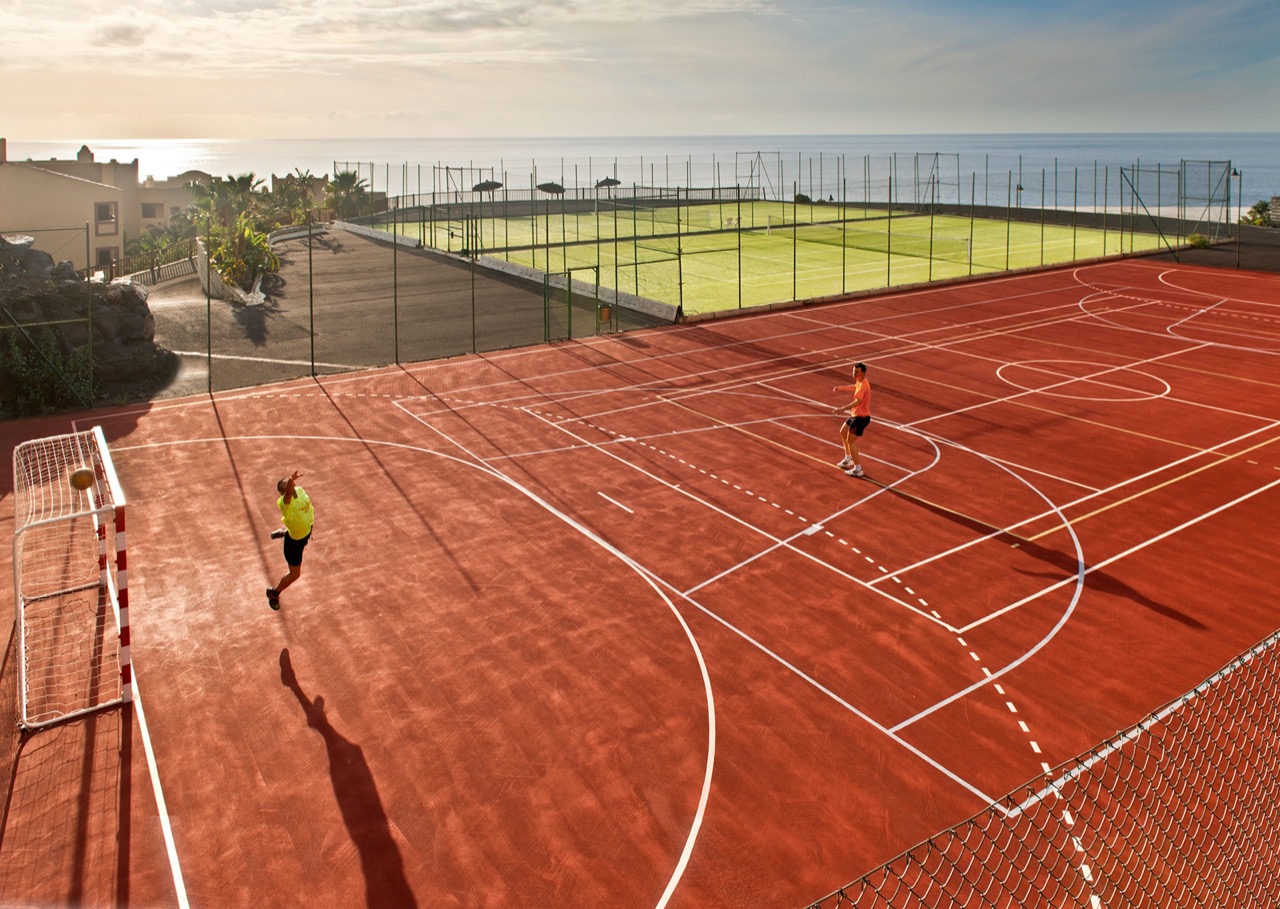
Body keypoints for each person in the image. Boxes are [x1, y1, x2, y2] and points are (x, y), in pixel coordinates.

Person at [267, 470, 314, 610]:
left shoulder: (299, 490)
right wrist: (290, 480)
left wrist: (291, 482)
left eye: (289, 483)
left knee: (299, 528)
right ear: (283, 492)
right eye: (286, 486)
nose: (289, 485)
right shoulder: (284, 502)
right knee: (295, 574)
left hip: (305, 531)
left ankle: (285, 532)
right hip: (294, 544)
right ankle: (274, 593)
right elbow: (288, 494)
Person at [832, 362, 872, 477]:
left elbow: (857, 401)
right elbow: (854, 387)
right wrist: (842, 388)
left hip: (861, 418)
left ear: (863, 373)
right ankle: (848, 458)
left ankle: (858, 469)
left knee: (851, 441)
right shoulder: (860, 381)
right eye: (854, 371)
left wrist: (842, 408)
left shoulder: (864, 384)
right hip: (855, 415)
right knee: (843, 431)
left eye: (857, 372)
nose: (854, 374)